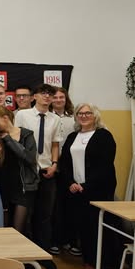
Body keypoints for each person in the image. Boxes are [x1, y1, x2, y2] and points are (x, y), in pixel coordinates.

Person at [59, 103, 121, 269]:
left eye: (88, 113)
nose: (84, 116)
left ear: (95, 116)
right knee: (85, 226)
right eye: (80, 113)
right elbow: (65, 163)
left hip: (99, 189)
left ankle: (111, 263)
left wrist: (86, 185)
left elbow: (105, 165)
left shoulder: (104, 135)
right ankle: (90, 260)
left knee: (105, 225)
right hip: (76, 190)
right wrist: (71, 182)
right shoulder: (72, 136)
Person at [15, 83, 62, 269]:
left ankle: (43, 254)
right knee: (25, 216)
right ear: (34, 96)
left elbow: (55, 144)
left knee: (45, 215)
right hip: (27, 171)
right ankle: (25, 256)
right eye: (43, 93)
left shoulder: (55, 119)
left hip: (47, 170)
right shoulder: (23, 115)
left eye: (50, 94)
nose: (47, 97)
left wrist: (55, 164)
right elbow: (16, 141)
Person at [0, 106, 38, 234]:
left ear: (5, 118)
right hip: (3, 186)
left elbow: (29, 158)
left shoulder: (26, 134)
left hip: (23, 186)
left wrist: (8, 139)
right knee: (4, 227)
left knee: (19, 228)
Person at [50, 86, 79, 256]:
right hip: (53, 166)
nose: (58, 100)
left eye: (61, 97)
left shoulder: (73, 118)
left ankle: (69, 240)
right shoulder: (47, 116)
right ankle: (54, 240)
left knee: (70, 205)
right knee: (54, 206)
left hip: (70, 167)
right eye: (55, 97)